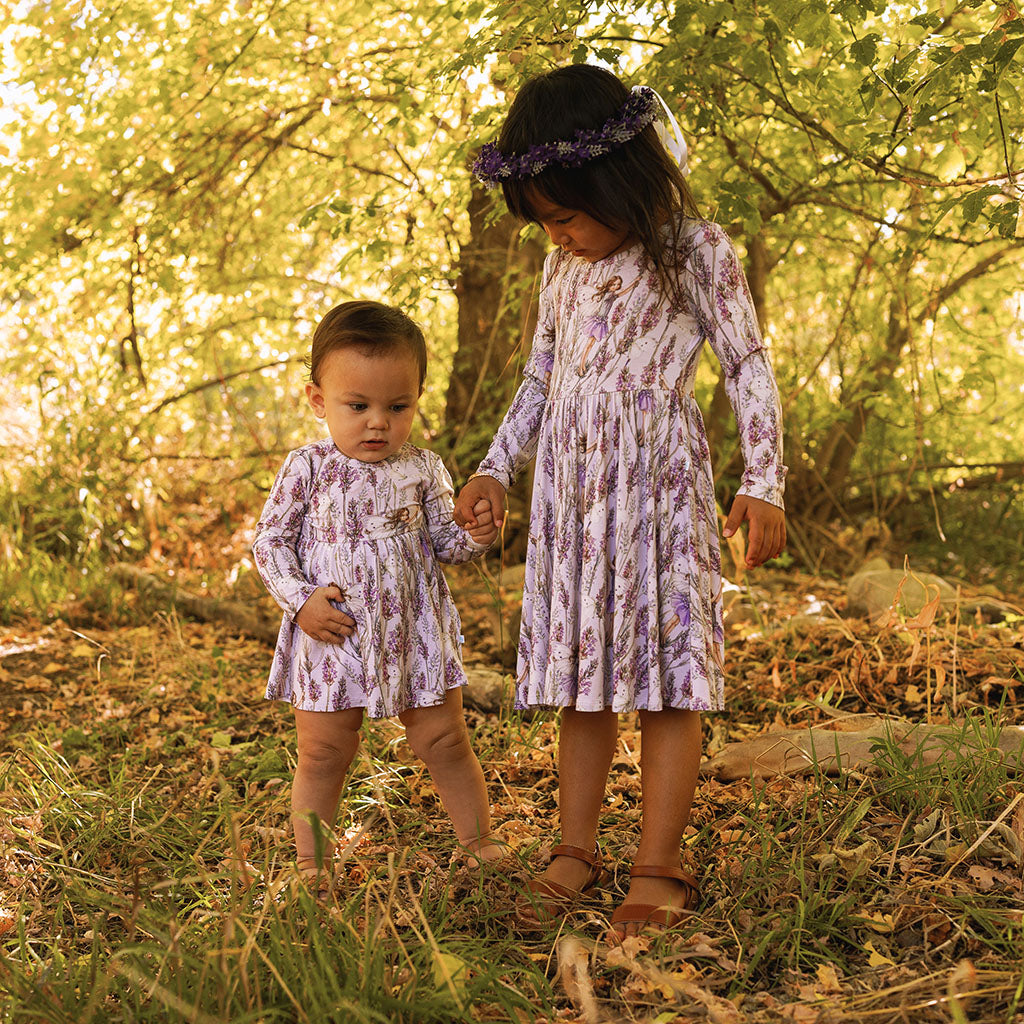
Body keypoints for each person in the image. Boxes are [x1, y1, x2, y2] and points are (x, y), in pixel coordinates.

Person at [454, 64, 787, 938]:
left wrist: (763, 479)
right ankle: (576, 846)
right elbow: (538, 376)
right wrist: (493, 467)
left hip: (659, 488)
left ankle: (659, 862)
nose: (557, 236)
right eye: (543, 222)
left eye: (565, 216)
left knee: (670, 678)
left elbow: (747, 363)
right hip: (573, 494)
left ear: (616, 182)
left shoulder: (694, 251)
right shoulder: (561, 275)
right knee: (583, 677)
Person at [253, 299, 504, 894]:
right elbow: (269, 542)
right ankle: (314, 865)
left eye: (397, 407)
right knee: (322, 753)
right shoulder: (306, 469)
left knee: (444, 740)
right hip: (330, 634)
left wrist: (477, 536)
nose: (377, 423)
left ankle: (480, 842)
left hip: (412, 633)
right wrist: (300, 600)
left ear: (418, 398)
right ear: (319, 401)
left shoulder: (423, 469)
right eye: (357, 406)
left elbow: (446, 543)